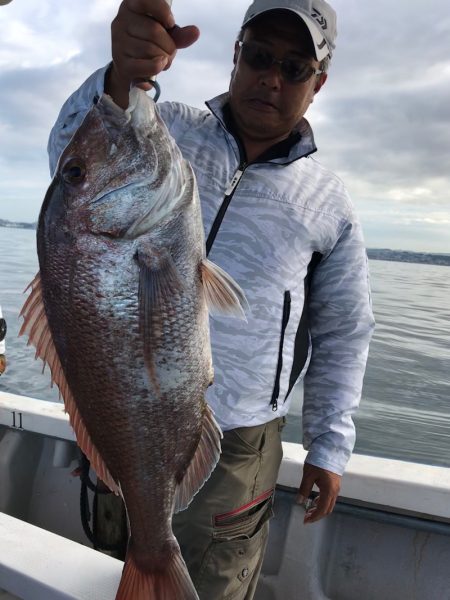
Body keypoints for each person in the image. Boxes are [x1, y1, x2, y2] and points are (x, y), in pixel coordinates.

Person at [48, 0, 375, 597]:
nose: (271, 76)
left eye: (295, 66)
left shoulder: (328, 202)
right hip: (120, 422)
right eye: (258, 55)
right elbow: (71, 152)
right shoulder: (163, 126)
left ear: (318, 82)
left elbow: (343, 332)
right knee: (105, 565)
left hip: (239, 443)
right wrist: (122, 73)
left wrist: (330, 445)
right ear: (236, 55)